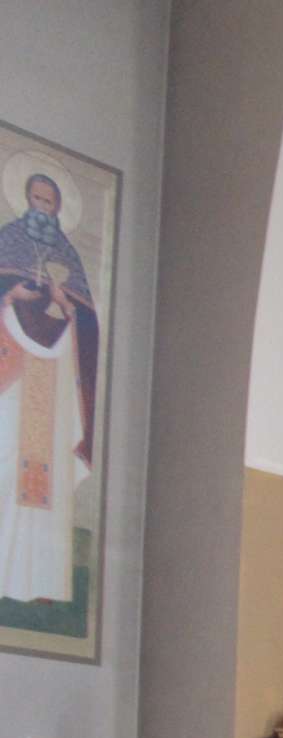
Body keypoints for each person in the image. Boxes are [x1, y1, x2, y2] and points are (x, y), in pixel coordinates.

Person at [0, 172, 102, 608]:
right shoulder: (7, 238)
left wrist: (66, 305)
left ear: (59, 208)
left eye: (50, 202)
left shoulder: (68, 254)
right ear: (26, 200)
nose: (43, 207)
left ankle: (45, 585)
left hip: (55, 384)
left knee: (51, 484)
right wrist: (11, 293)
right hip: (14, 380)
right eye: (37, 199)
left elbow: (89, 323)